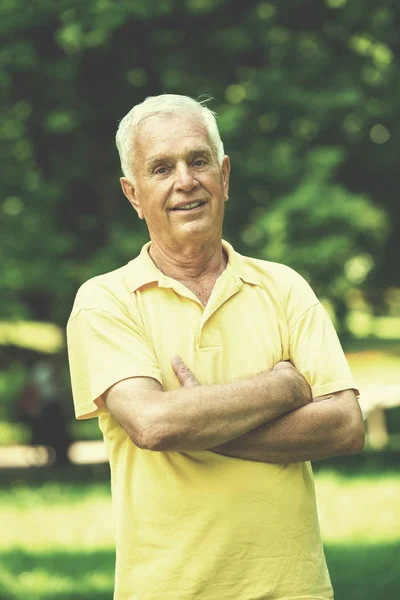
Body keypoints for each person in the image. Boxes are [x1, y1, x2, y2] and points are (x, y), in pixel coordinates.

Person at [67, 94, 364, 600]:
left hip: (294, 590)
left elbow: (344, 426)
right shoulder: (104, 301)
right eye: (161, 168)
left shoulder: (285, 287)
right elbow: (154, 423)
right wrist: (283, 386)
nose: (185, 180)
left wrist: (204, 426)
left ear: (224, 176)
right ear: (133, 195)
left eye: (198, 160)